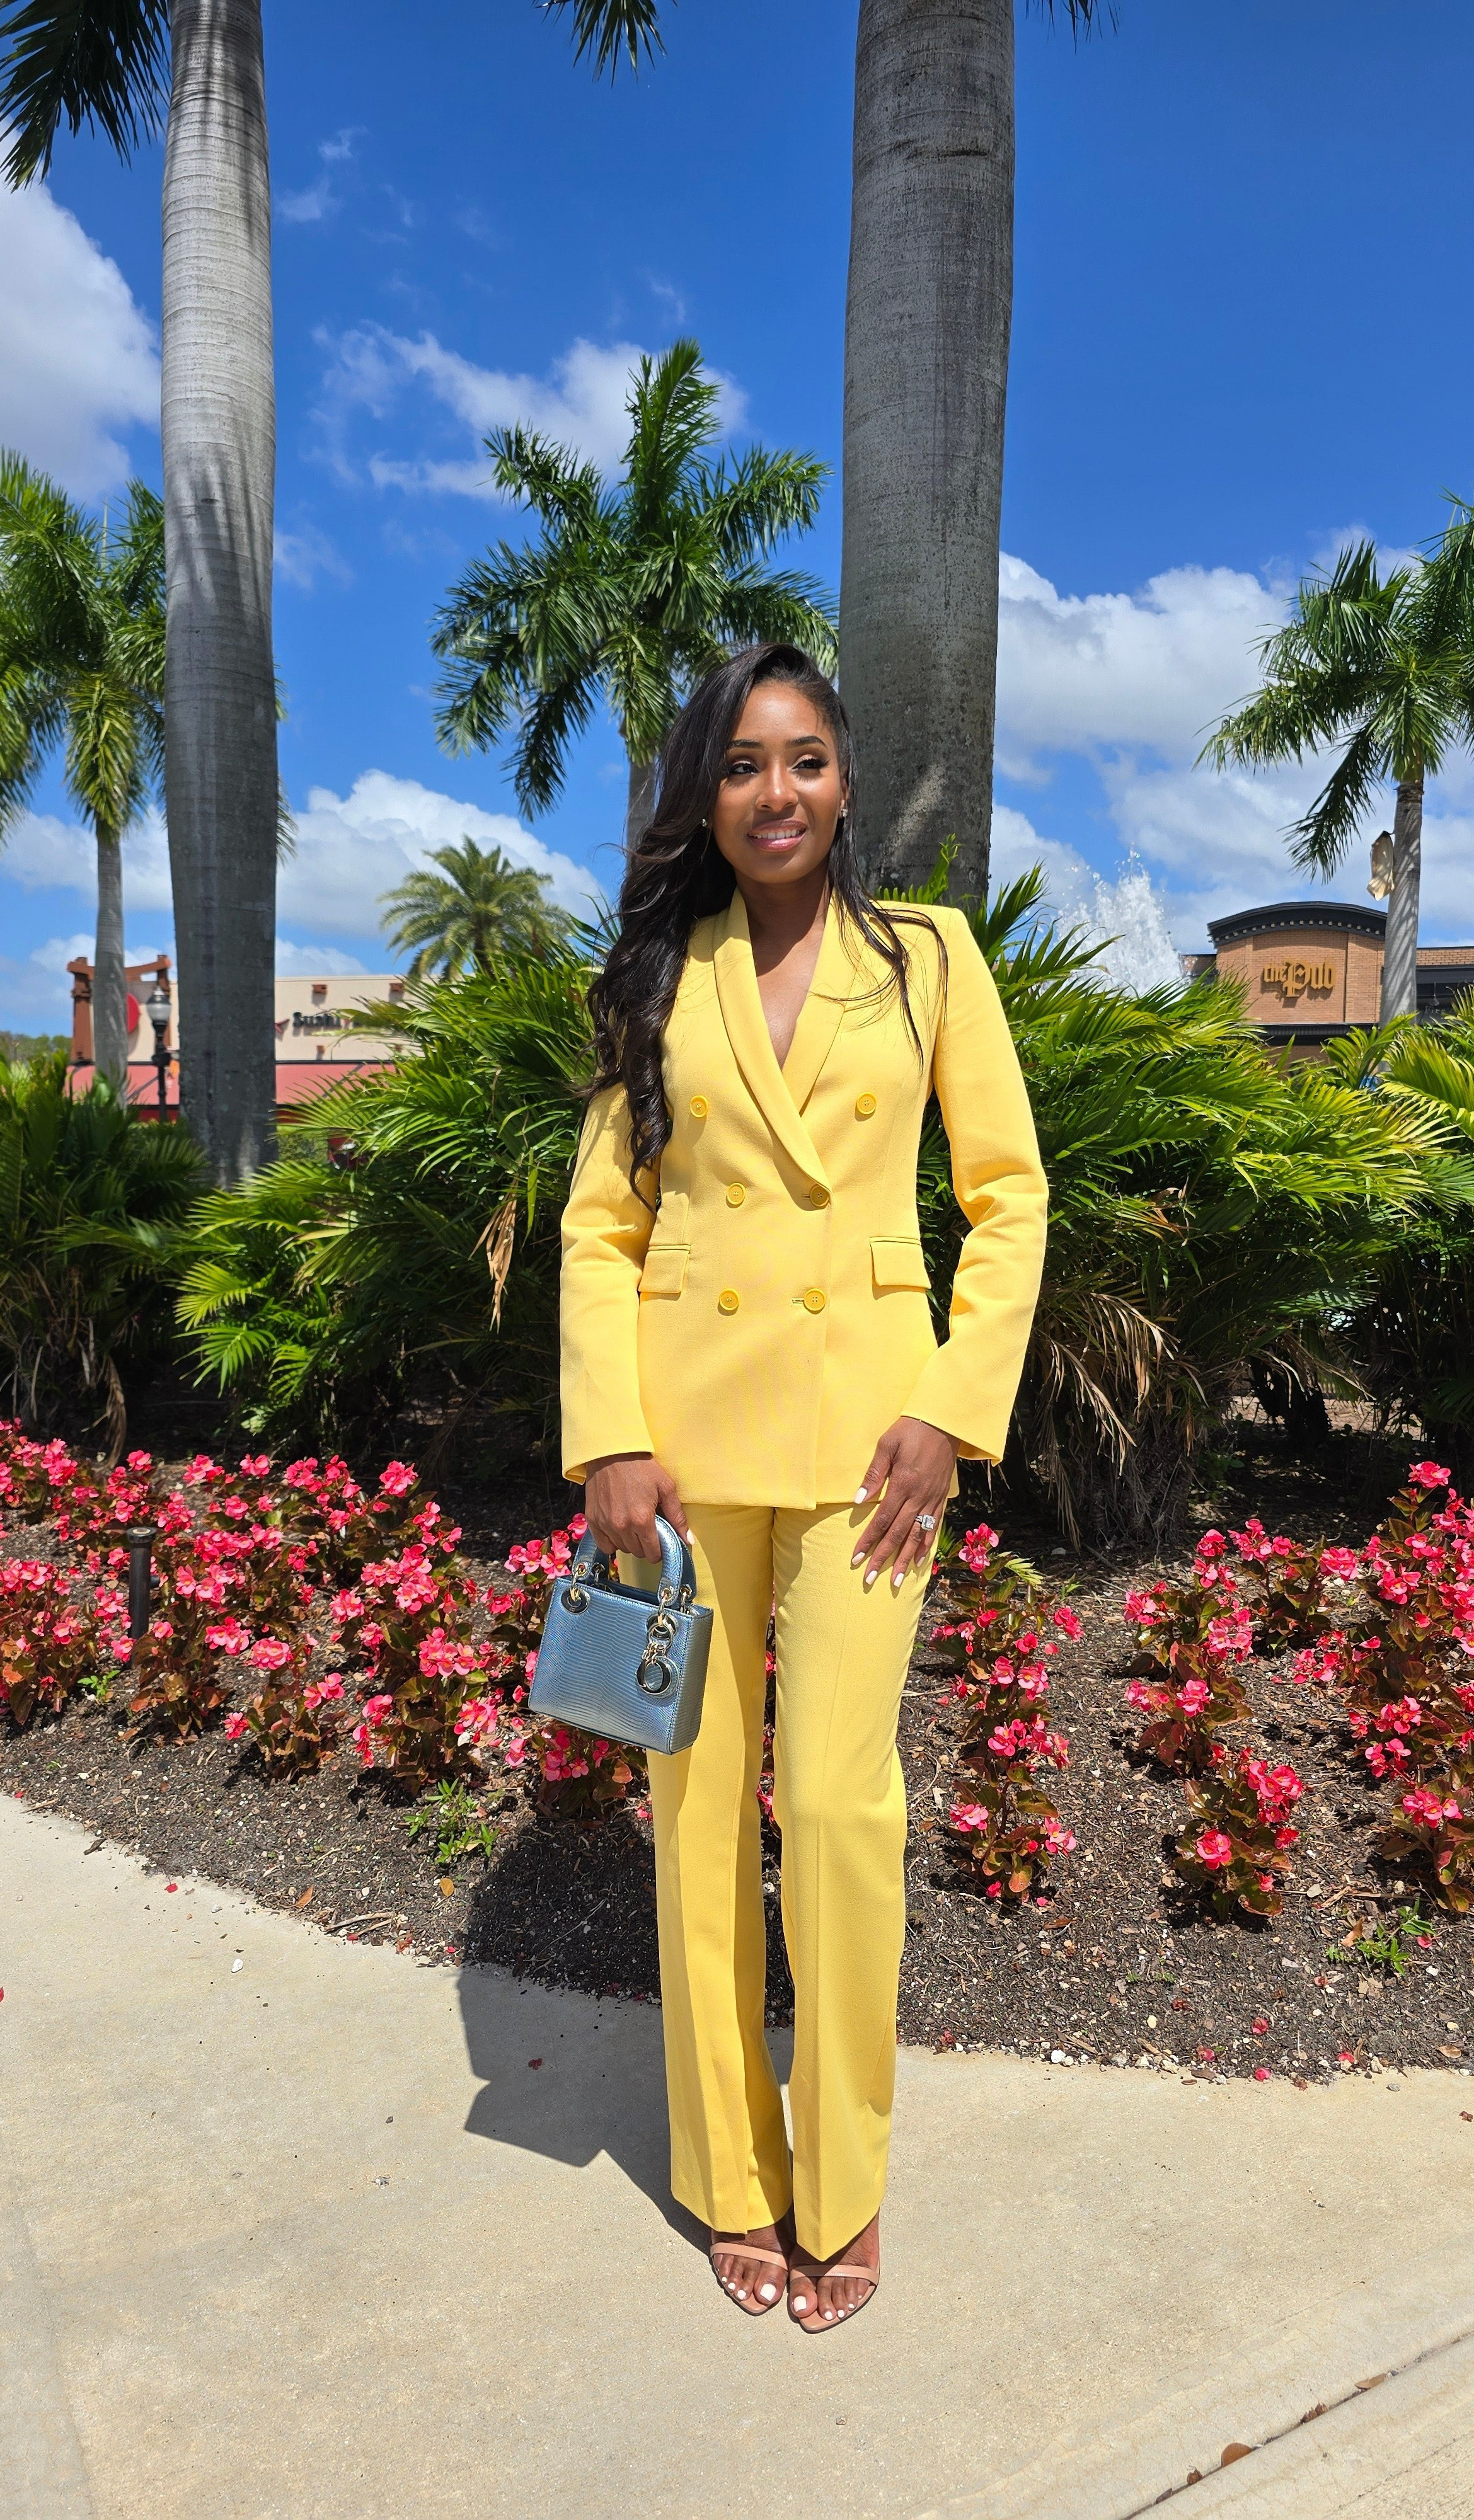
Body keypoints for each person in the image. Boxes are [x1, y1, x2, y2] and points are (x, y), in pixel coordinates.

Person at [559, 644, 1047, 2332]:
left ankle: (842, 2183)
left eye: (810, 761)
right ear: (708, 794)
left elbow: (1008, 1194)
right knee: (696, 1814)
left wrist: (950, 1409)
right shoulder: (651, 977)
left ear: (849, 782)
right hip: (684, 1460)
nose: (779, 793)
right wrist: (609, 1435)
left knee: (838, 1809)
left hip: (871, 1455)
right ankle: (731, 2178)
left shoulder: (928, 964)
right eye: (746, 765)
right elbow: (601, 1227)